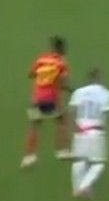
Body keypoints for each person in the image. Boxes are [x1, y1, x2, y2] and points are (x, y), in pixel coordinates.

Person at [22, 36, 73, 169]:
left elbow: (31, 74)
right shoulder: (61, 63)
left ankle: (29, 157)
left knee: (34, 126)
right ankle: (62, 151)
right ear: (62, 49)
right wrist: (71, 90)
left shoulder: (41, 59)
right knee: (62, 120)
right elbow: (63, 82)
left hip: (37, 98)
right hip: (51, 98)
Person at [68, 69, 109, 200]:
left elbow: (71, 111)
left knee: (79, 161)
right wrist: (108, 135)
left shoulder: (79, 92)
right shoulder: (107, 94)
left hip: (80, 129)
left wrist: (73, 127)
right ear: (100, 79)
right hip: (96, 131)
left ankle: (77, 189)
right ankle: (83, 187)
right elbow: (107, 115)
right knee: (98, 164)